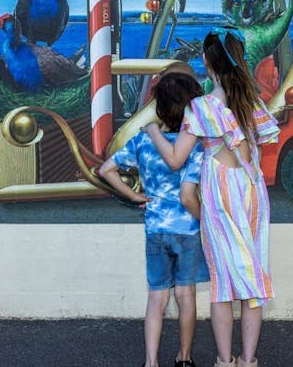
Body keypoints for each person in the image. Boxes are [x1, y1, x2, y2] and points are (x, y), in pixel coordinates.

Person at [144, 27, 279, 367]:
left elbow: (176, 159)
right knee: (251, 281)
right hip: (251, 194)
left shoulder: (201, 108)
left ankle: (224, 360)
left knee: (222, 284)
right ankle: (248, 361)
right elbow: (254, 154)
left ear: (206, 61)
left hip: (220, 196)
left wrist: (153, 131)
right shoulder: (252, 104)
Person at [98, 71, 209, 367]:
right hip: (187, 231)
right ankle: (184, 358)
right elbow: (190, 195)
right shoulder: (195, 146)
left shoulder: (143, 141)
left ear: (159, 106)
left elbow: (105, 170)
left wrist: (134, 196)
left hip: (156, 228)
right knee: (186, 296)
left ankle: (151, 362)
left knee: (157, 299)